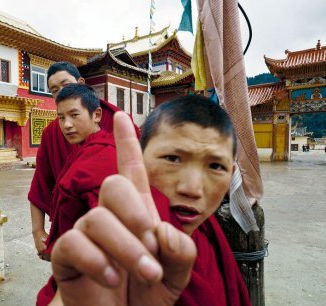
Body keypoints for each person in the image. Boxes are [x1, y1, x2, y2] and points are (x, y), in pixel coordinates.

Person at [50, 95, 251, 306]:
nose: (192, 189)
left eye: (216, 166)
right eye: (173, 159)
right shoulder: (114, 247)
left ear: (232, 175)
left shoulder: (211, 240)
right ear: (140, 157)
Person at [28, 62, 139, 261]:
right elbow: (41, 182)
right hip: (69, 231)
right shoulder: (53, 132)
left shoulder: (117, 121)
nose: (63, 93)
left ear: (81, 83)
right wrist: (38, 231)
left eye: (66, 84)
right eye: (55, 90)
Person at [36, 83, 121, 306]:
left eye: (74, 115)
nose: (67, 125)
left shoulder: (103, 155)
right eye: (61, 118)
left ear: (96, 115)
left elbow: (107, 229)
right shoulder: (86, 150)